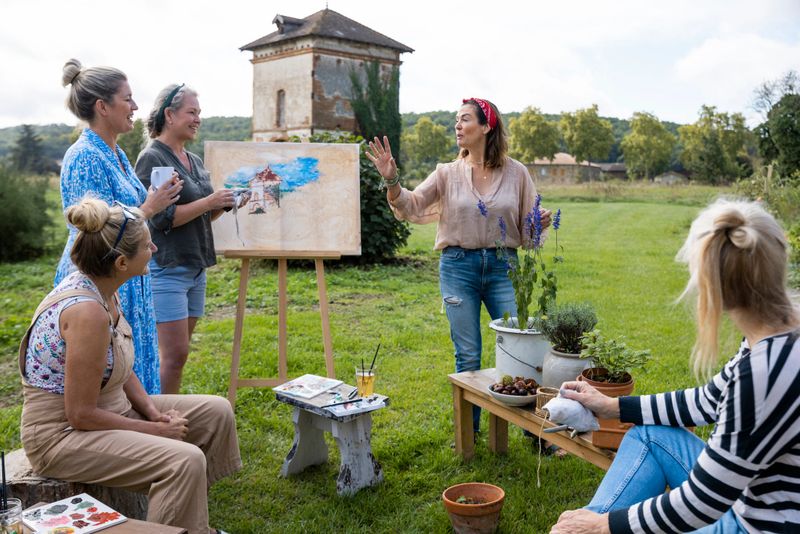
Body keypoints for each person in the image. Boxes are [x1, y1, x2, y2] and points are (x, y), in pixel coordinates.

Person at [551, 199, 800, 533]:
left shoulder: (763, 374)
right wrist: (612, 406)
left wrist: (604, 525)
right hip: (749, 502)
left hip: (758, 525)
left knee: (599, 526)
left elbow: (703, 501)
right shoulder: (778, 335)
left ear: (712, 291)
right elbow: (708, 401)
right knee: (649, 435)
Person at [20, 197, 241, 534]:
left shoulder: (104, 287)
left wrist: (153, 412)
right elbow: (80, 414)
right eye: (146, 244)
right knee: (182, 459)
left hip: (106, 412)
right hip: (60, 435)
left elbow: (120, 367)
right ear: (122, 262)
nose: (153, 247)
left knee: (216, 412)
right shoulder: (87, 312)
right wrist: (156, 432)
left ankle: (188, 518)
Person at [366, 98, 551, 433]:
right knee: (468, 355)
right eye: (456, 120)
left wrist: (540, 225)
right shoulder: (446, 173)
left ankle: (534, 433)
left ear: (486, 126)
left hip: (503, 268)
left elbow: (527, 235)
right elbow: (411, 204)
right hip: (457, 268)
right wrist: (392, 180)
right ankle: (471, 434)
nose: (457, 126)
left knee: (519, 348)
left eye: (465, 119)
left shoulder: (517, 173)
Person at [56, 58, 183, 394]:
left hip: (125, 276)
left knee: (134, 365)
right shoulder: (84, 156)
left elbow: (127, 217)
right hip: (101, 279)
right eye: (127, 99)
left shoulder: (117, 154)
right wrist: (149, 207)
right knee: (111, 376)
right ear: (102, 106)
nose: (136, 107)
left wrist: (154, 203)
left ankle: (145, 430)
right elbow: (98, 232)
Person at [134, 84, 244, 393]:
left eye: (199, 113)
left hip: (195, 268)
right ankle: (158, 419)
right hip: (167, 267)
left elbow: (201, 216)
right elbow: (162, 218)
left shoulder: (192, 160)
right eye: (191, 113)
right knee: (174, 354)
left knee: (178, 356)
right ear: (169, 115)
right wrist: (210, 201)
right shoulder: (153, 157)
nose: (198, 119)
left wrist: (222, 205)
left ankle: (166, 410)